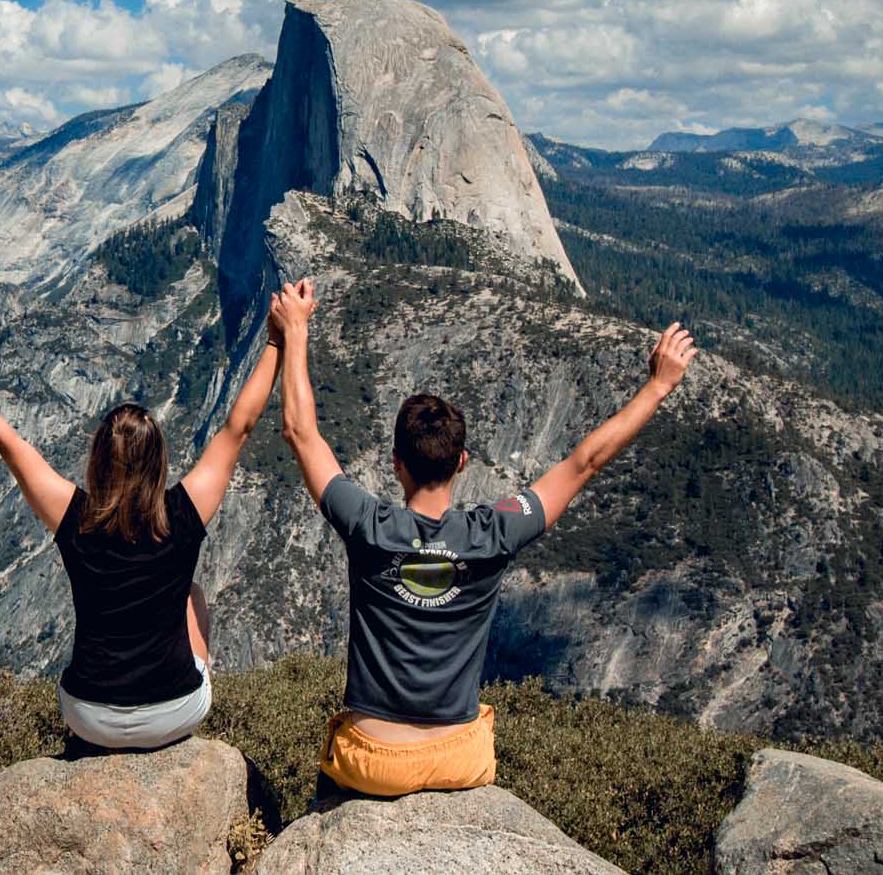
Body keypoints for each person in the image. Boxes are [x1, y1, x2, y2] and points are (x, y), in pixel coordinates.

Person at [268, 277, 696, 798]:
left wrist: (295, 330)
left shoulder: (367, 525)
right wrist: (657, 386)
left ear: (395, 463)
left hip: (372, 761)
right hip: (459, 758)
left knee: (335, 760)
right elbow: (585, 462)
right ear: (463, 463)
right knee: (480, 723)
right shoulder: (493, 532)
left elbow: (300, 432)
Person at [0, 307, 282, 752]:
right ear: (159, 462)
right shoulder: (183, 512)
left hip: (89, 714)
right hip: (175, 711)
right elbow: (240, 427)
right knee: (192, 594)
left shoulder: (74, 517)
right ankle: (179, 698)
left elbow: (9, 442)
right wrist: (275, 342)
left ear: (97, 460)